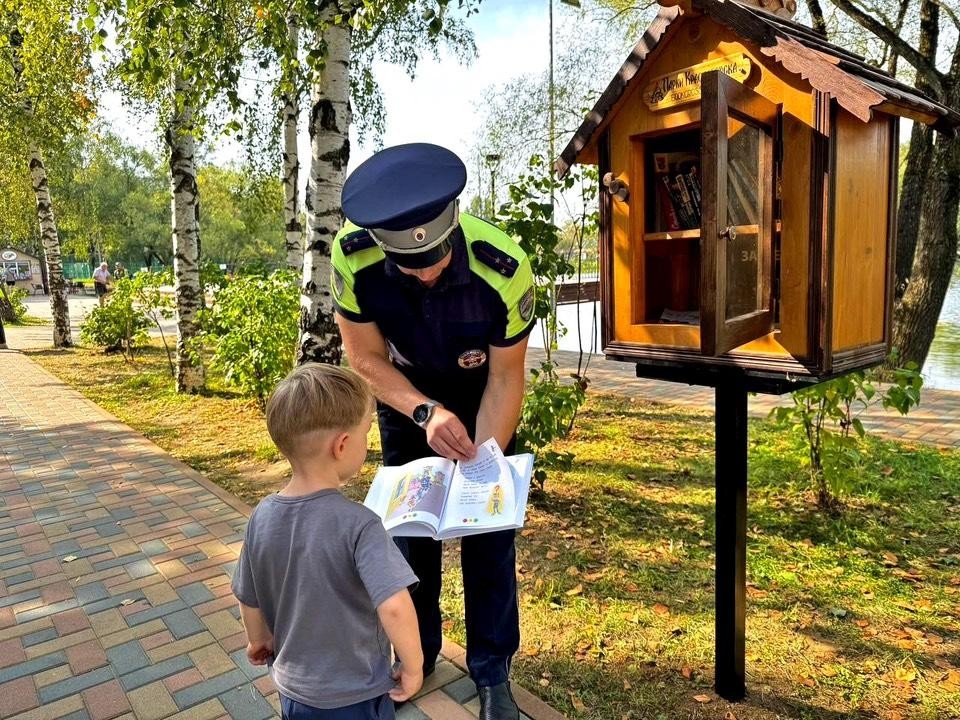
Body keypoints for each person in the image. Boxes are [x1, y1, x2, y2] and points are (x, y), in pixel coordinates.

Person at [332, 143, 535, 720]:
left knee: (489, 536)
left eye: (437, 257)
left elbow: (505, 378)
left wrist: (482, 465)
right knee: (406, 540)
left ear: (454, 225)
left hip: (482, 401)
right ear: (378, 243)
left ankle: (493, 671)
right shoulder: (354, 260)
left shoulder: (504, 266)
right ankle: (415, 657)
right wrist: (424, 413)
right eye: (408, 266)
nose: (424, 272)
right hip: (406, 399)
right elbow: (365, 359)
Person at [231, 364, 423, 719]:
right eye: (367, 432)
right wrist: (413, 665)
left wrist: (258, 640)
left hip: (294, 689)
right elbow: (394, 605)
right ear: (342, 445)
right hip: (356, 694)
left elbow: (249, 595)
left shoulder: (262, 516)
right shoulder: (360, 525)